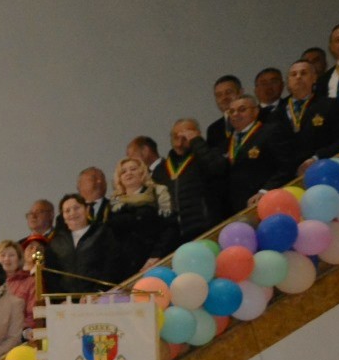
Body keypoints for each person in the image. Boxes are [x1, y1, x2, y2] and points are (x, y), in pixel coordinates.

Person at [151, 119, 229, 250]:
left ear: (196, 134)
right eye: (176, 137)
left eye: (185, 136)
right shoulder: (161, 170)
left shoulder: (208, 154)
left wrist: (197, 142)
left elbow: (217, 169)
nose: (180, 142)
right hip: (178, 238)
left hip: (208, 229)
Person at [221, 95, 295, 213]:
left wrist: (265, 191)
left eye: (242, 109)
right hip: (241, 209)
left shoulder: (270, 131)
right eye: (231, 111)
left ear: (255, 111)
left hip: (270, 201)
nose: (235, 114)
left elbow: (286, 166)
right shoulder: (226, 143)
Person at [107, 156, 173, 279]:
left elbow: (169, 227)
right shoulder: (113, 204)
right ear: (119, 178)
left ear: (142, 172)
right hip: (125, 270)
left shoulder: (158, 193)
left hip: (155, 263)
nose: (128, 173)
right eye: (124, 171)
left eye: (133, 169)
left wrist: (156, 255)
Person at [280, 59, 339, 167]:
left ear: (314, 78)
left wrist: (317, 158)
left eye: (303, 73)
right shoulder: (277, 114)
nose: (298, 77)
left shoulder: (329, 105)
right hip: (290, 175)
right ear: (288, 82)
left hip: (324, 165)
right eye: (293, 74)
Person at [46, 195, 117, 296]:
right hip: (65, 303)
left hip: (98, 300)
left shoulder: (103, 233)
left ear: (87, 209)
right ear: (63, 217)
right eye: (67, 210)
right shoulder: (55, 242)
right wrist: (61, 299)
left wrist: (98, 293)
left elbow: (110, 266)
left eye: (76, 208)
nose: (72, 213)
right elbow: (51, 275)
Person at [0, 241, 36, 336]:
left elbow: (32, 316)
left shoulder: (30, 282)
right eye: (2, 255)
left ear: (19, 259)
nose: (7, 259)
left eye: (12, 255)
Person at [205, 75, 243, 151]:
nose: (224, 98)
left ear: (240, 93)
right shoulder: (213, 129)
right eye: (219, 95)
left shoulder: (255, 120)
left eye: (228, 92)